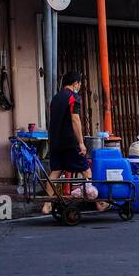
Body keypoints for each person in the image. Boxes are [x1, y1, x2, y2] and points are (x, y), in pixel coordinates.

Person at [43, 72, 107, 214]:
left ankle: (47, 204)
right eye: (79, 84)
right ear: (75, 83)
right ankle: (99, 202)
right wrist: (81, 143)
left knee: (55, 172)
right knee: (86, 169)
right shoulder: (73, 97)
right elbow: (75, 120)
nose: (79, 86)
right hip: (70, 142)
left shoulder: (55, 98)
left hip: (54, 142)